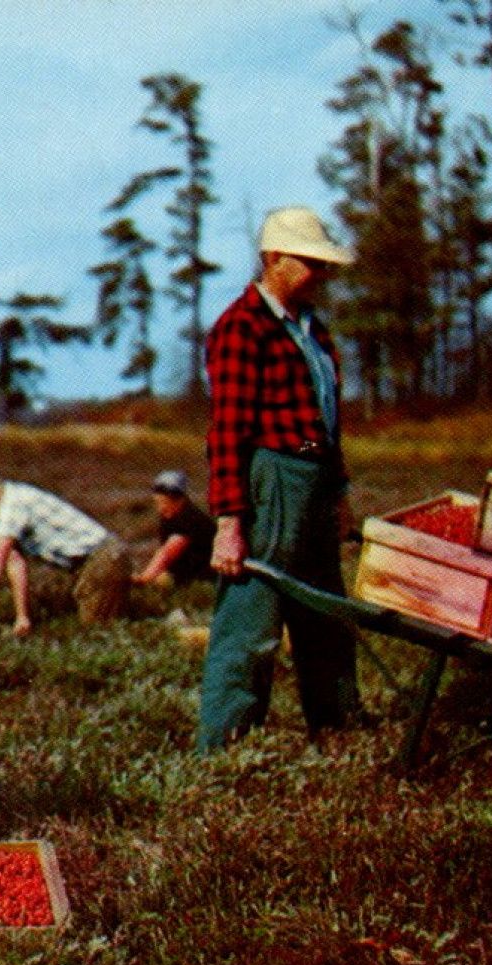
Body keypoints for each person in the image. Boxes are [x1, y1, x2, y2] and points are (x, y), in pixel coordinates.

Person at [196, 206, 360, 754]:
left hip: (311, 479)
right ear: (271, 259)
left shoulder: (313, 330)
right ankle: (227, 749)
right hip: (270, 483)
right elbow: (228, 433)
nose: (318, 274)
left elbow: (319, 428)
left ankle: (336, 732)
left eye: (322, 264)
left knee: (326, 616)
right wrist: (230, 522)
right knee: (251, 623)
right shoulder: (243, 328)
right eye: (307, 262)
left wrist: (335, 487)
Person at [0, 470, 130, 634]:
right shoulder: (10, 507)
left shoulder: (13, 505)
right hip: (87, 562)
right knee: (87, 620)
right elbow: (15, 563)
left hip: (103, 557)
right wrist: (22, 617)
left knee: (96, 630)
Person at [132, 469, 214, 589]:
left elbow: (168, 553)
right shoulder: (171, 514)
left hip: (203, 577)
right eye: (158, 503)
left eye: (164, 503)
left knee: (161, 583)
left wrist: (144, 579)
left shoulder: (188, 519)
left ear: (179, 499)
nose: (160, 509)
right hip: (187, 573)